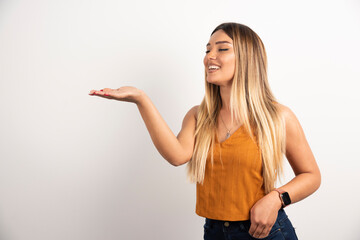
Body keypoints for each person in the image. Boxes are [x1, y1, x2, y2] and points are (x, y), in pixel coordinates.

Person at [89, 22, 321, 240]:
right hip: (215, 231)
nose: (210, 56)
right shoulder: (198, 116)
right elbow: (176, 156)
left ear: (247, 58)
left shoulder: (278, 117)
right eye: (208, 49)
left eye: (222, 49)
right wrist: (141, 98)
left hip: (265, 230)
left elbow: (311, 176)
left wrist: (276, 199)